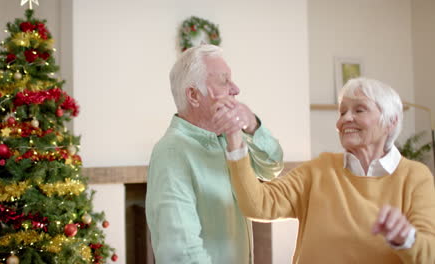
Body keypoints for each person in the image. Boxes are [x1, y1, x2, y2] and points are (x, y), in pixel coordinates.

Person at [220, 77, 435, 263]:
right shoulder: (320, 169)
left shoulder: (415, 177)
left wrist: (406, 238)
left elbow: (429, 256)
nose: (344, 119)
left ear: (391, 121)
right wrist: (234, 140)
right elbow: (258, 205)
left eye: (359, 110)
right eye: (342, 112)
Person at [145, 44, 284, 264]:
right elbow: (181, 253)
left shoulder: (227, 138)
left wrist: (251, 124)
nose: (236, 89)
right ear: (193, 95)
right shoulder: (171, 152)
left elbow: (273, 167)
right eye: (224, 80)